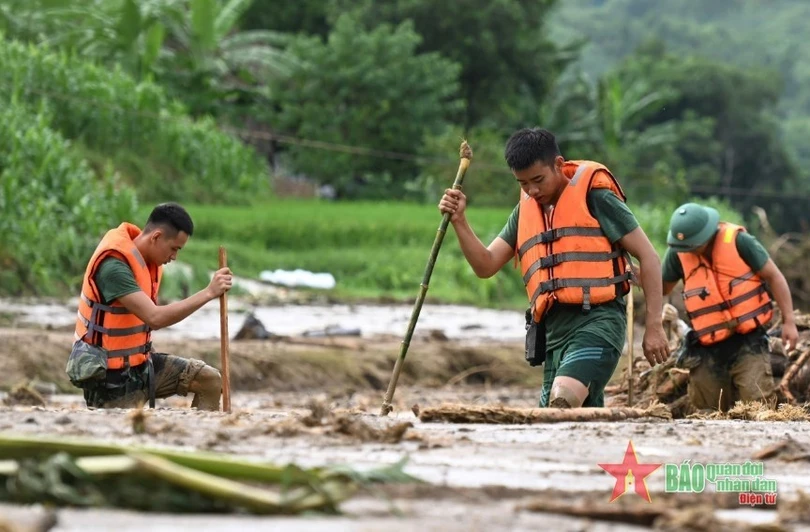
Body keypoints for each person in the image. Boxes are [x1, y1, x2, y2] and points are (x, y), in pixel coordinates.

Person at [438, 128, 670, 408]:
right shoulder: (525, 211)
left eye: (538, 180)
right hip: (552, 336)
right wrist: (460, 221)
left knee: (562, 403)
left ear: (558, 165)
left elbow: (649, 257)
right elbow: (485, 265)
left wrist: (654, 326)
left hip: (598, 322)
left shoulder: (596, 198)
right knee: (569, 427)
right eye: (523, 184)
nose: (532, 191)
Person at [66, 203, 233, 410]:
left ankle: (199, 437)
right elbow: (155, 317)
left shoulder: (148, 263)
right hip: (110, 379)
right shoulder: (113, 266)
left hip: (142, 366)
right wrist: (208, 293)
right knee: (124, 435)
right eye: (174, 248)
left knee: (209, 380)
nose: (174, 257)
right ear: (156, 237)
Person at [662, 202, 798, 411]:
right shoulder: (679, 251)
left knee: (758, 408)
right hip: (706, 346)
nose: (686, 250)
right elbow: (662, 287)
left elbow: (774, 277)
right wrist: (638, 274)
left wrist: (789, 321)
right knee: (706, 414)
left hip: (748, 340)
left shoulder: (739, 242)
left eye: (691, 246)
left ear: (704, 237)